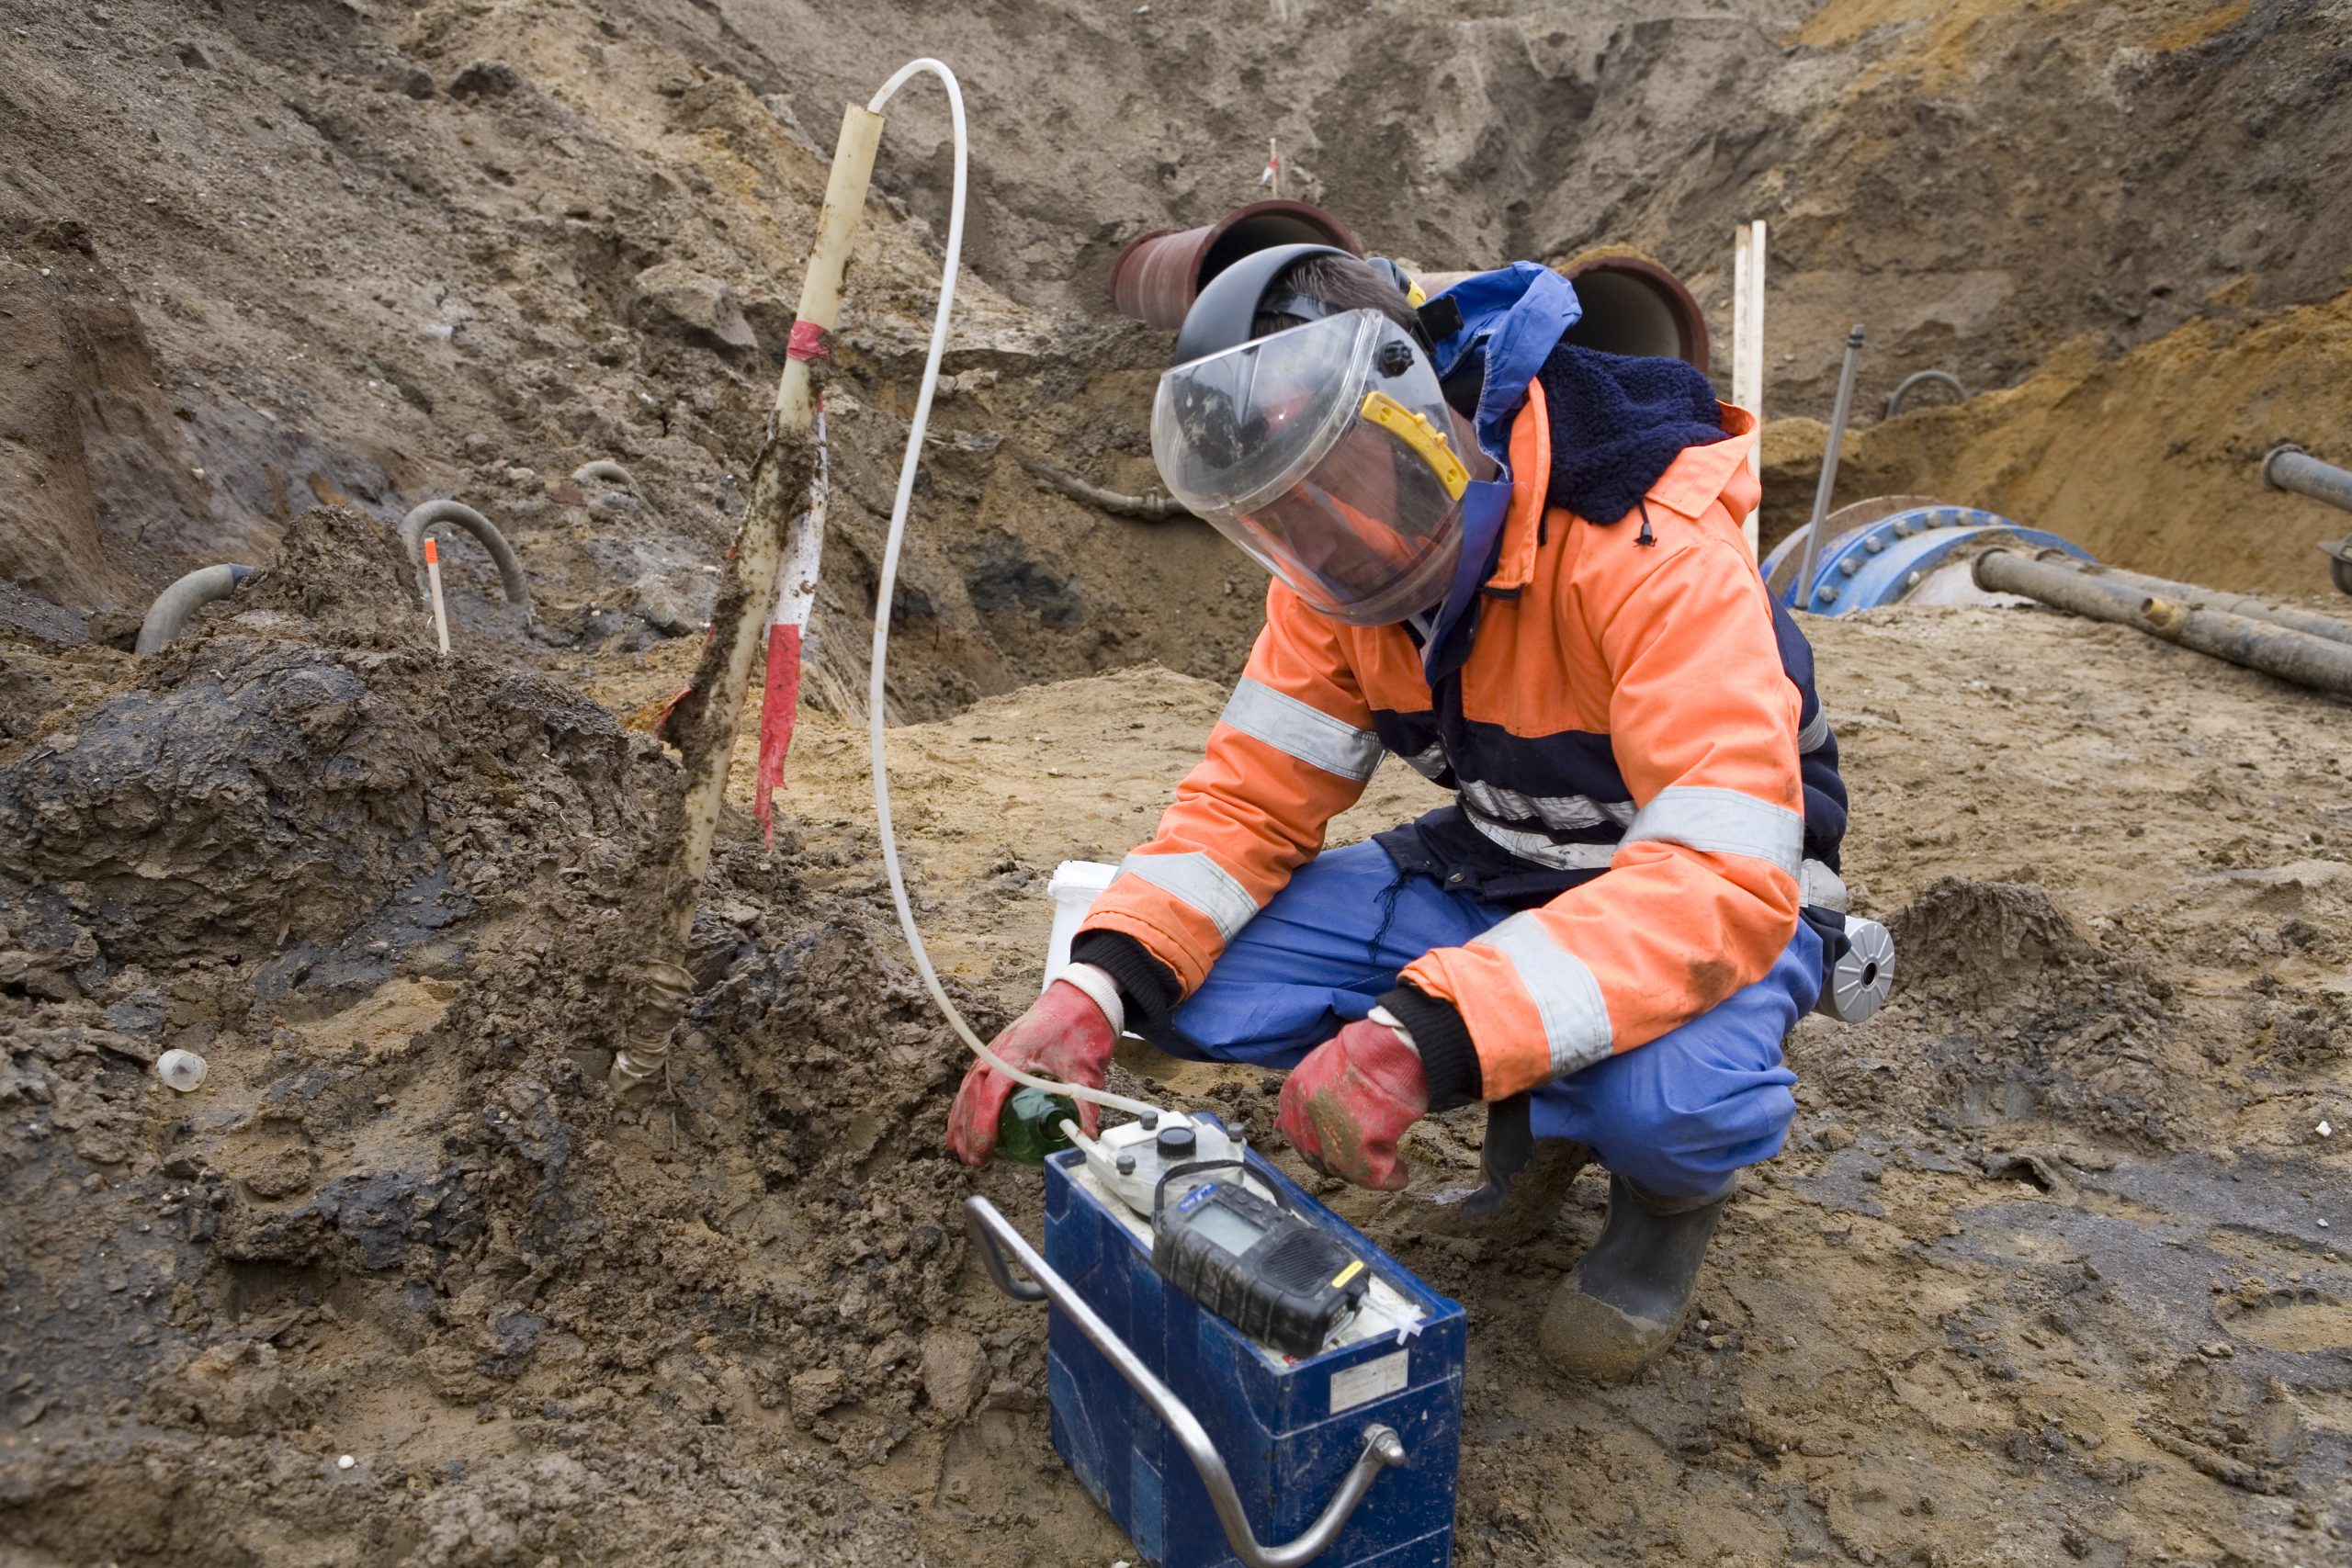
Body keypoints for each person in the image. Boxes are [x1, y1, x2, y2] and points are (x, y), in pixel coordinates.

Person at [948, 244, 1850, 1382]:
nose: (1317, 543)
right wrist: (1092, 987)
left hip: (1713, 903)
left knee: (1668, 1107)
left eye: (1333, 487)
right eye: (1280, 519)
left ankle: (1659, 1212)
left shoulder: (1648, 544)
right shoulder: (1330, 581)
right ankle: (1533, 1111)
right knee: (1185, 994)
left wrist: (1427, 1036)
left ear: (1418, 414)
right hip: (1503, 861)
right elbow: (1246, 802)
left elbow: (1722, 879)